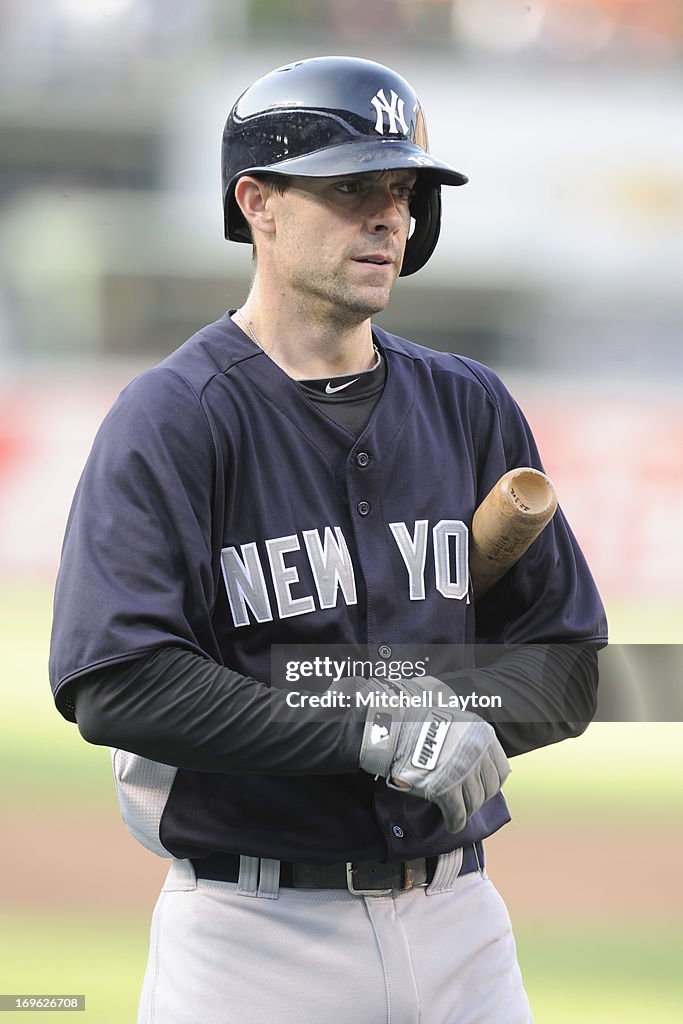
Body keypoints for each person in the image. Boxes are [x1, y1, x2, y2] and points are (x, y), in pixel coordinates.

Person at [49, 56, 607, 1024]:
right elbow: (117, 680)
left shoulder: (467, 405)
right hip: (250, 935)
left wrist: (440, 711)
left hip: (461, 922)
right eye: (351, 187)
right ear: (256, 203)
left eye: (401, 190)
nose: (387, 215)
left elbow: (567, 666)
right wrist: (375, 724)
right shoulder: (175, 417)